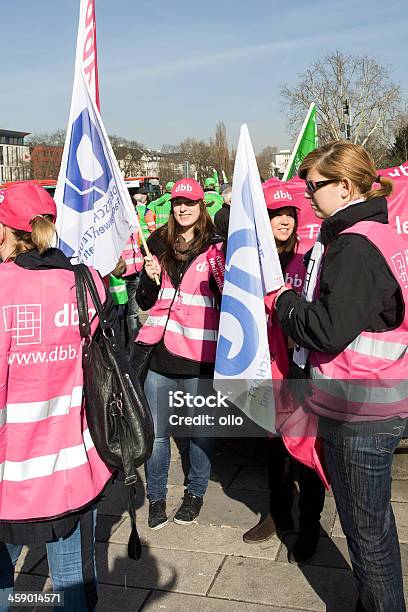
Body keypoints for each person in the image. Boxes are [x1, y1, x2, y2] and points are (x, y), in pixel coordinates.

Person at [274, 141, 408, 612]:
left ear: (345, 186)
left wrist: (283, 302)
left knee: (366, 533)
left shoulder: (353, 246)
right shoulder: (382, 234)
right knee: (374, 525)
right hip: (379, 395)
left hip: (359, 409)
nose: (308, 196)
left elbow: (327, 330)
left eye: (315, 187)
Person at [0, 182, 114, 611]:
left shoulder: (3, 288)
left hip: (11, 476)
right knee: (72, 584)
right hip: (73, 465)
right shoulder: (87, 283)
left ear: (5, 231)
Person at [242, 185, 325, 563]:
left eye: (290, 213)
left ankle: (310, 525)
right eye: (276, 214)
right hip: (265, 374)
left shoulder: (309, 263)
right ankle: (277, 514)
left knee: (306, 455)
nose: (285, 219)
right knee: (274, 454)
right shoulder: (251, 268)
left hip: (300, 374)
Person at [133, 178, 223, 530]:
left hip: (200, 355)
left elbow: (229, 300)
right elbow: (144, 301)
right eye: (177, 203)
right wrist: (150, 279)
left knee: (200, 430)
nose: (182, 209)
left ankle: (195, 492)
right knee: (155, 433)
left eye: (190, 203)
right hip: (160, 353)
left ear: (202, 207)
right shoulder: (157, 243)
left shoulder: (218, 249)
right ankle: (156, 498)